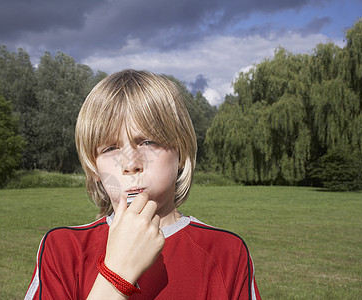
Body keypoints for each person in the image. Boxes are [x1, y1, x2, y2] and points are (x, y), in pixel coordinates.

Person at [24, 69, 261, 299]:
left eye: (148, 142)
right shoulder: (62, 250)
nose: (130, 163)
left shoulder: (226, 252)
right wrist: (116, 275)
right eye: (110, 148)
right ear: (94, 168)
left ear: (182, 153)